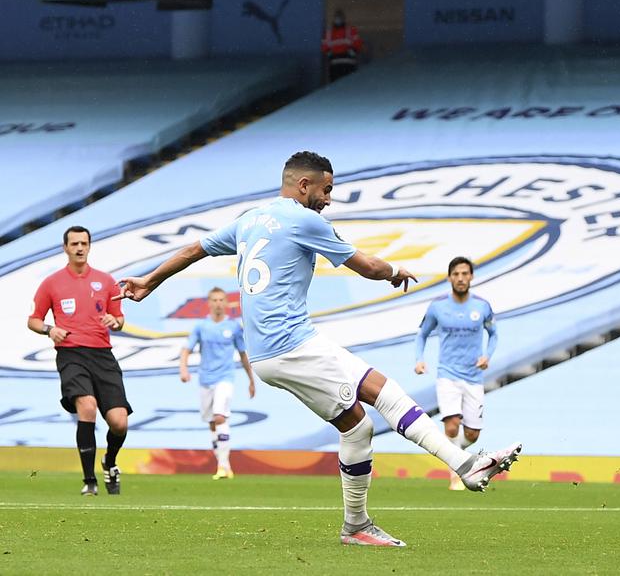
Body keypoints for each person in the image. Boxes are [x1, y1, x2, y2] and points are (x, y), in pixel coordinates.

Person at [116, 151, 520, 547]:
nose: (329, 199)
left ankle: (356, 526)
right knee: (383, 391)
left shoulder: (250, 219)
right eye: (326, 189)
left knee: (357, 425)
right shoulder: (303, 220)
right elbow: (368, 266)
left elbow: (193, 251)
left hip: (272, 351)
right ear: (303, 184)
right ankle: (465, 465)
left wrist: (150, 281)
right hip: (291, 343)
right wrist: (397, 271)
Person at [26, 226, 130, 496]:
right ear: (65, 248)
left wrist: (114, 321)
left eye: (84, 243)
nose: (80, 248)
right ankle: (89, 481)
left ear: (90, 246)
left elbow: (118, 319)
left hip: (102, 354)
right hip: (71, 352)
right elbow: (33, 320)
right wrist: (50, 330)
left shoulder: (106, 281)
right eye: (74, 244)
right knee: (87, 405)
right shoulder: (52, 283)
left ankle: (109, 462)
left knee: (119, 422)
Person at [415, 257, 498, 491]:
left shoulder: (482, 306)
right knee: (451, 426)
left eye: (464, 273)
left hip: (473, 377)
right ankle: (457, 470)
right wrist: (419, 359)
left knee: (472, 435)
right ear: (450, 277)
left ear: (471, 276)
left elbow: (494, 334)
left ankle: (458, 454)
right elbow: (422, 334)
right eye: (456, 274)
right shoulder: (437, 306)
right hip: (447, 374)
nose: (460, 278)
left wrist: (487, 356)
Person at [179, 287, 256, 480]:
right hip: (205, 380)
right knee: (212, 423)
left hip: (225, 378)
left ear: (226, 303)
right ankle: (222, 465)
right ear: (209, 303)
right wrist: (184, 370)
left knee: (220, 417)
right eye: (214, 300)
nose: (218, 303)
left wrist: (251, 379)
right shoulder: (201, 327)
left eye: (222, 300)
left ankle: (224, 466)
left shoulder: (234, 327)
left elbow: (243, 354)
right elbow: (186, 350)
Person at [321, 9, 365, 82]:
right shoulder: (329, 33)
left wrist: (352, 52)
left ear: (343, 19)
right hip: (335, 65)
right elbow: (324, 46)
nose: (338, 20)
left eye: (340, 18)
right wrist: (330, 54)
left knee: (348, 84)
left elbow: (358, 43)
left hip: (348, 64)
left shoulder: (350, 30)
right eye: (337, 18)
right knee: (337, 85)